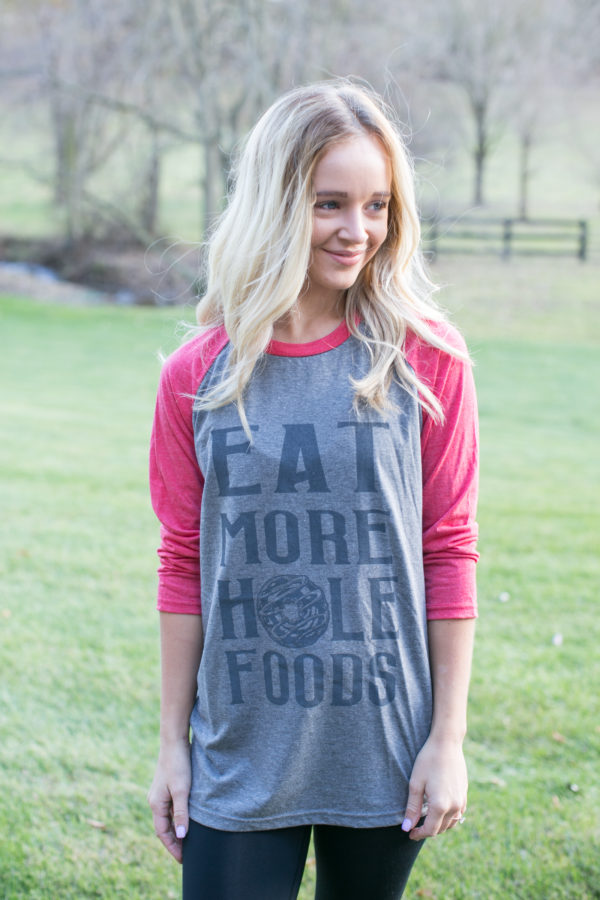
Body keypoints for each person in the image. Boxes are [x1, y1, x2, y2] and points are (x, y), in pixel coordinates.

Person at [147, 79, 478, 900]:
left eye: (378, 206)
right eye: (331, 203)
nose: (357, 230)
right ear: (277, 199)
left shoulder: (426, 360)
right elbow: (184, 560)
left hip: (384, 744)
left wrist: (448, 737)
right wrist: (171, 743)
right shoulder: (198, 375)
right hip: (242, 744)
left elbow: (448, 548)